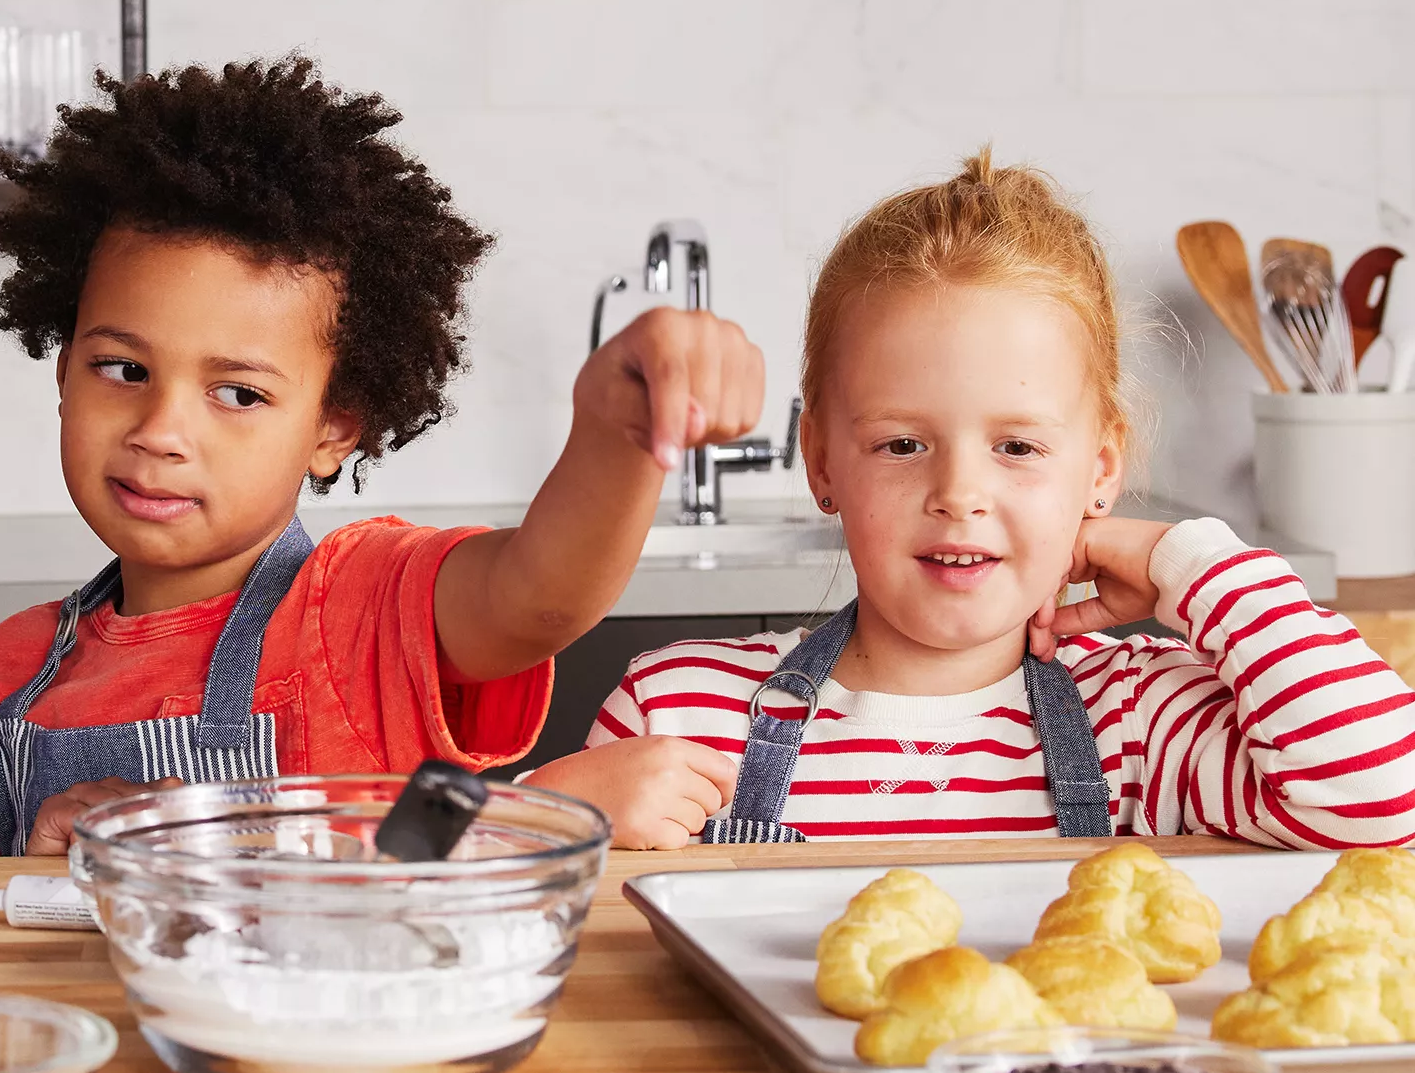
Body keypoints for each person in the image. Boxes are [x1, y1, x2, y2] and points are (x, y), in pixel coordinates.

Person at [0, 57, 763, 858]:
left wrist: (613, 430)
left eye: (238, 393)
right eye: (123, 370)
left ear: (333, 430)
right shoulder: (12, 667)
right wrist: (36, 870)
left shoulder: (359, 607)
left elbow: (535, 598)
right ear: (65, 371)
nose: (161, 430)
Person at [528, 150, 1415, 850]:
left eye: (1018, 448)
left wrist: (1185, 560)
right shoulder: (682, 707)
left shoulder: (1144, 729)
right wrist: (545, 817)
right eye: (903, 444)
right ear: (822, 463)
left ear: (1100, 471)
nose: (959, 495)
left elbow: (1380, 800)